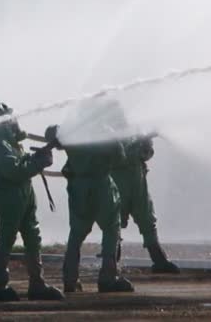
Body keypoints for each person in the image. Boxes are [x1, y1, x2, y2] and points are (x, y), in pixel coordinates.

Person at [45, 121, 134, 293]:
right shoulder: (105, 130)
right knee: (111, 229)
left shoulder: (72, 131)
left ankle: (70, 280)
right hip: (102, 186)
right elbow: (120, 157)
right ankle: (108, 279)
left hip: (79, 188)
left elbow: (51, 134)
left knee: (76, 234)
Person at [0, 103, 64, 301]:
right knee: (6, 240)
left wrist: (35, 157)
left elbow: (19, 163)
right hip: (9, 197)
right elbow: (13, 171)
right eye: (10, 118)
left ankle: (37, 283)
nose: (15, 121)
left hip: (24, 195)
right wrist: (39, 162)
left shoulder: (9, 142)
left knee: (33, 238)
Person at [106, 101, 180, 274]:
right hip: (117, 183)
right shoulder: (107, 135)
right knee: (114, 223)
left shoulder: (134, 131)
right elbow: (119, 157)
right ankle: (111, 265)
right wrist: (139, 144)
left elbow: (147, 154)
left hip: (138, 183)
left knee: (147, 220)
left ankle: (159, 260)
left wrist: (146, 142)